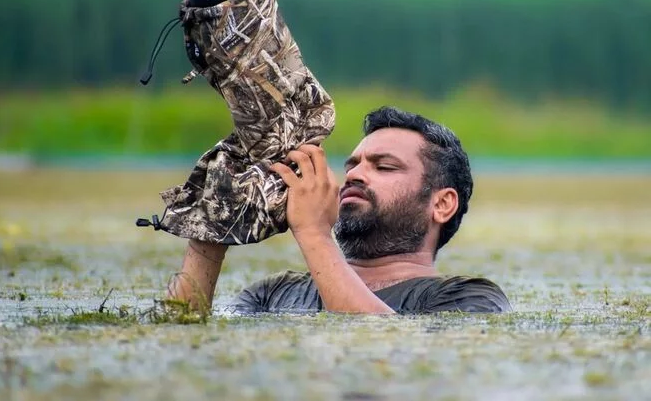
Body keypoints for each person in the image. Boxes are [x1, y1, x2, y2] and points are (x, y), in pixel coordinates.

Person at [168, 106, 511, 314]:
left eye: (384, 167)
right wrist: (209, 237)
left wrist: (315, 233)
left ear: (441, 204)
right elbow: (179, 344)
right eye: (353, 164)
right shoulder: (273, 292)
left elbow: (377, 344)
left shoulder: (471, 297)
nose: (355, 175)